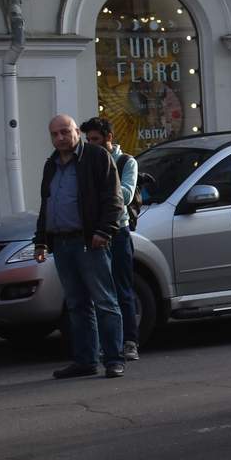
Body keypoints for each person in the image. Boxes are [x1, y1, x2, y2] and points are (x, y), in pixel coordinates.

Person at [34, 116, 127, 379]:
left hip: (89, 242)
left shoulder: (97, 157)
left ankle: (114, 359)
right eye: (55, 134)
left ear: (76, 132)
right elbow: (47, 204)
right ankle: (86, 360)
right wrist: (40, 241)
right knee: (76, 304)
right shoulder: (51, 164)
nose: (60, 138)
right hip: (61, 242)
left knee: (104, 301)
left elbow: (114, 198)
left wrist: (103, 231)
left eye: (65, 132)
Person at [81, 118, 142, 361]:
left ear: (109, 138)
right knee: (99, 291)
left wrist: (101, 182)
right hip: (93, 230)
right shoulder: (85, 162)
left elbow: (125, 195)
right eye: (88, 140)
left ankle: (130, 341)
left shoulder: (126, 161)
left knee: (122, 288)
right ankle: (106, 344)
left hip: (118, 231)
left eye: (95, 139)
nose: (91, 144)